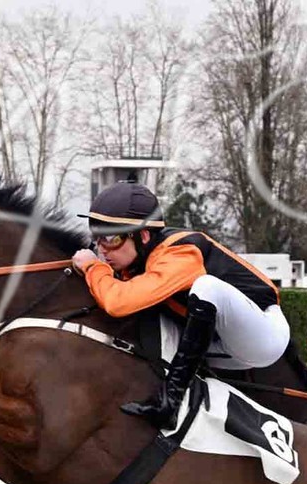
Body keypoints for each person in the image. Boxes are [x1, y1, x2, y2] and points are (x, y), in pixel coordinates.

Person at [67, 181, 286, 427]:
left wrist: (93, 267)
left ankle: (171, 404)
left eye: (111, 238)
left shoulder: (180, 252)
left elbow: (118, 302)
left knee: (206, 286)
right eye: (96, 238)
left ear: (143, 235)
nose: (102, 249)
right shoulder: (136, 260)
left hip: (263, 337)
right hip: (217, 349)